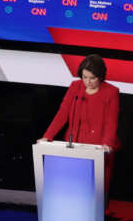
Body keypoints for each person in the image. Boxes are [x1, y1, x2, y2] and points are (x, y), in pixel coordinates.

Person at [39, 52, 120, 195]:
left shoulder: (111, 92)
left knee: (94, 191)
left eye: (92, 78)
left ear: (101, 76)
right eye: (85, 77)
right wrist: (47, 136)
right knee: (72, 188)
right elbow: (62, 114)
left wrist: (107, 144)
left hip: (98, 147)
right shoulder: (75, 87)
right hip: (73, 144)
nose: (88, 82)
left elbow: (111, 123)